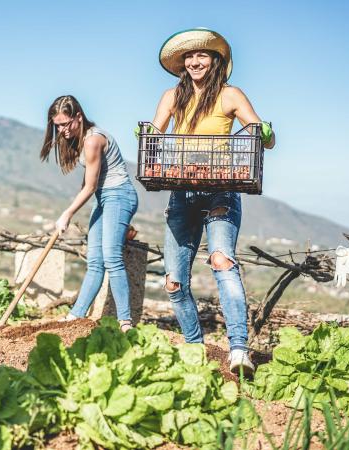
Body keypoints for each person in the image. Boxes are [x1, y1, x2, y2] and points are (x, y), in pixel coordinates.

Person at [151, 28, 275, 375]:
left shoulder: (230, 95)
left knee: (221, 261)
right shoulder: (172, 96)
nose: (194, 61)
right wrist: (146, 134)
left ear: (216, 60)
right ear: (182, 65)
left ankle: (239, 351)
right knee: (174, 282)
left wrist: (264, 131)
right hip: (182, 189)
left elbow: (263, 137)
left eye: (202, 55)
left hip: (221, 186)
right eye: (188, 57)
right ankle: (195, 348)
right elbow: (156, 132)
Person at [40, 95, 138, 331]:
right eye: (58, 126)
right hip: (103, 198)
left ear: (78, 117)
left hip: (119, 194)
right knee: (95, 261)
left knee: (112, 257)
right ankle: (76, 315)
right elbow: (89, 184)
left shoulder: (93, 140)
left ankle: (125, 321)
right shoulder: (81, 138)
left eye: (65, 124)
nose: (62, 130)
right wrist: (75, 205)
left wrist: (68, 213)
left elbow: (91, 186)